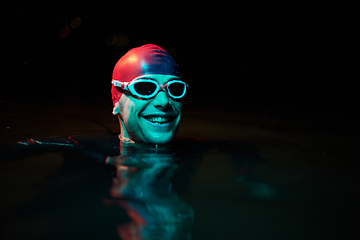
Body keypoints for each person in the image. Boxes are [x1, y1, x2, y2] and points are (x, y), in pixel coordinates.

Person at [111, 44, 188, 145]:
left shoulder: (201, 152)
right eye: (145, 88)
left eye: (174, 88)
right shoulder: (89, 152)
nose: (163, 101)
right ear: (117, 100)